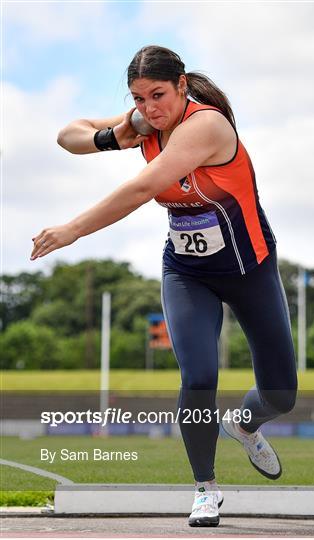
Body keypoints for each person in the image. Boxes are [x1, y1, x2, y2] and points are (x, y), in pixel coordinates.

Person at [31, 45, 298, 527]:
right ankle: (205, 489)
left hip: (250, 267)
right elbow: (68, 137)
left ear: (181, 85)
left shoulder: (207, 125)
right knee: (198, 376)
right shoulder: (144, 120)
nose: (150, 107)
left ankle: (244, 425)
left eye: (158, 95)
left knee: (280, 394)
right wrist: (120, 132)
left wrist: (71, 230)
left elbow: (141, 189)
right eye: (139, 97)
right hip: (187, 272)